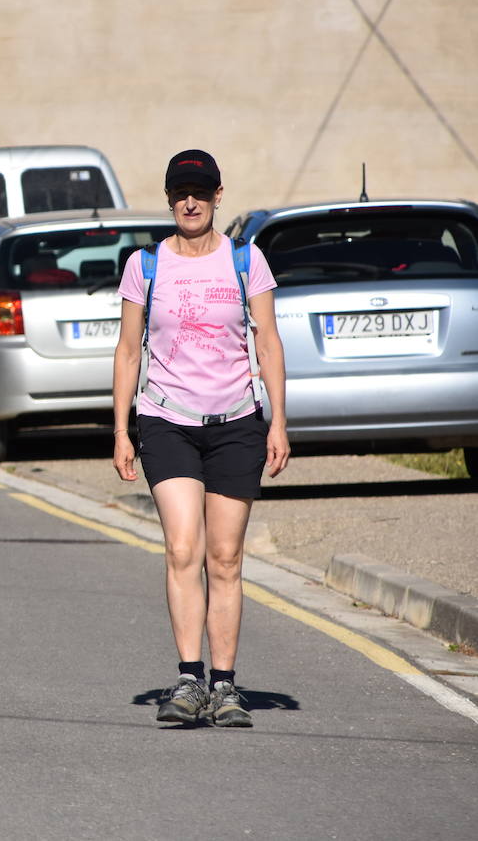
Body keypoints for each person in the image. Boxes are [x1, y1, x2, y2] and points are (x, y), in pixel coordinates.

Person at [112, 150, 289, 727]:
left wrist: (279, 421)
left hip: (237, 422)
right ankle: (189, 680)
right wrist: (121, 429)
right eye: (181, 191)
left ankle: (226, 684)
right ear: (169, 198)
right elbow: (128, 349)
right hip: (167, 421)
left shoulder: (245, 261)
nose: (190, 201)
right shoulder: (145, 265)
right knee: (183, 548)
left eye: (201, 191)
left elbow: (268, 346)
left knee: (225, 555)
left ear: (218, 195)